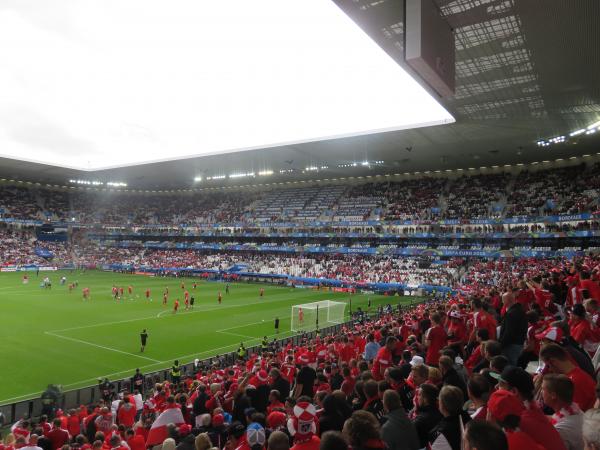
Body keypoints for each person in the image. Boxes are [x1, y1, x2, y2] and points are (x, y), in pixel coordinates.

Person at [539, 343, 597, 411]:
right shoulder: (576, 374)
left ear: (553, 362)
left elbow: (574, 415)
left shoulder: (572, 382)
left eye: (548, 366)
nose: (549, 370)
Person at [541, 374, 584, 450]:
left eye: (543, 389)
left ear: (553, 395)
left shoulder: (560, 430)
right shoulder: (577, 411)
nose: (541, 392)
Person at [498, 290, 527, 366]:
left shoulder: (511, 313)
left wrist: (500, 345)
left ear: (507, 300)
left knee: (510, 366)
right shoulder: (520, 310)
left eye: (503, 300)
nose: (502, 302)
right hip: (518, 343)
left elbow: (509, 332)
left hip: (511, 346)